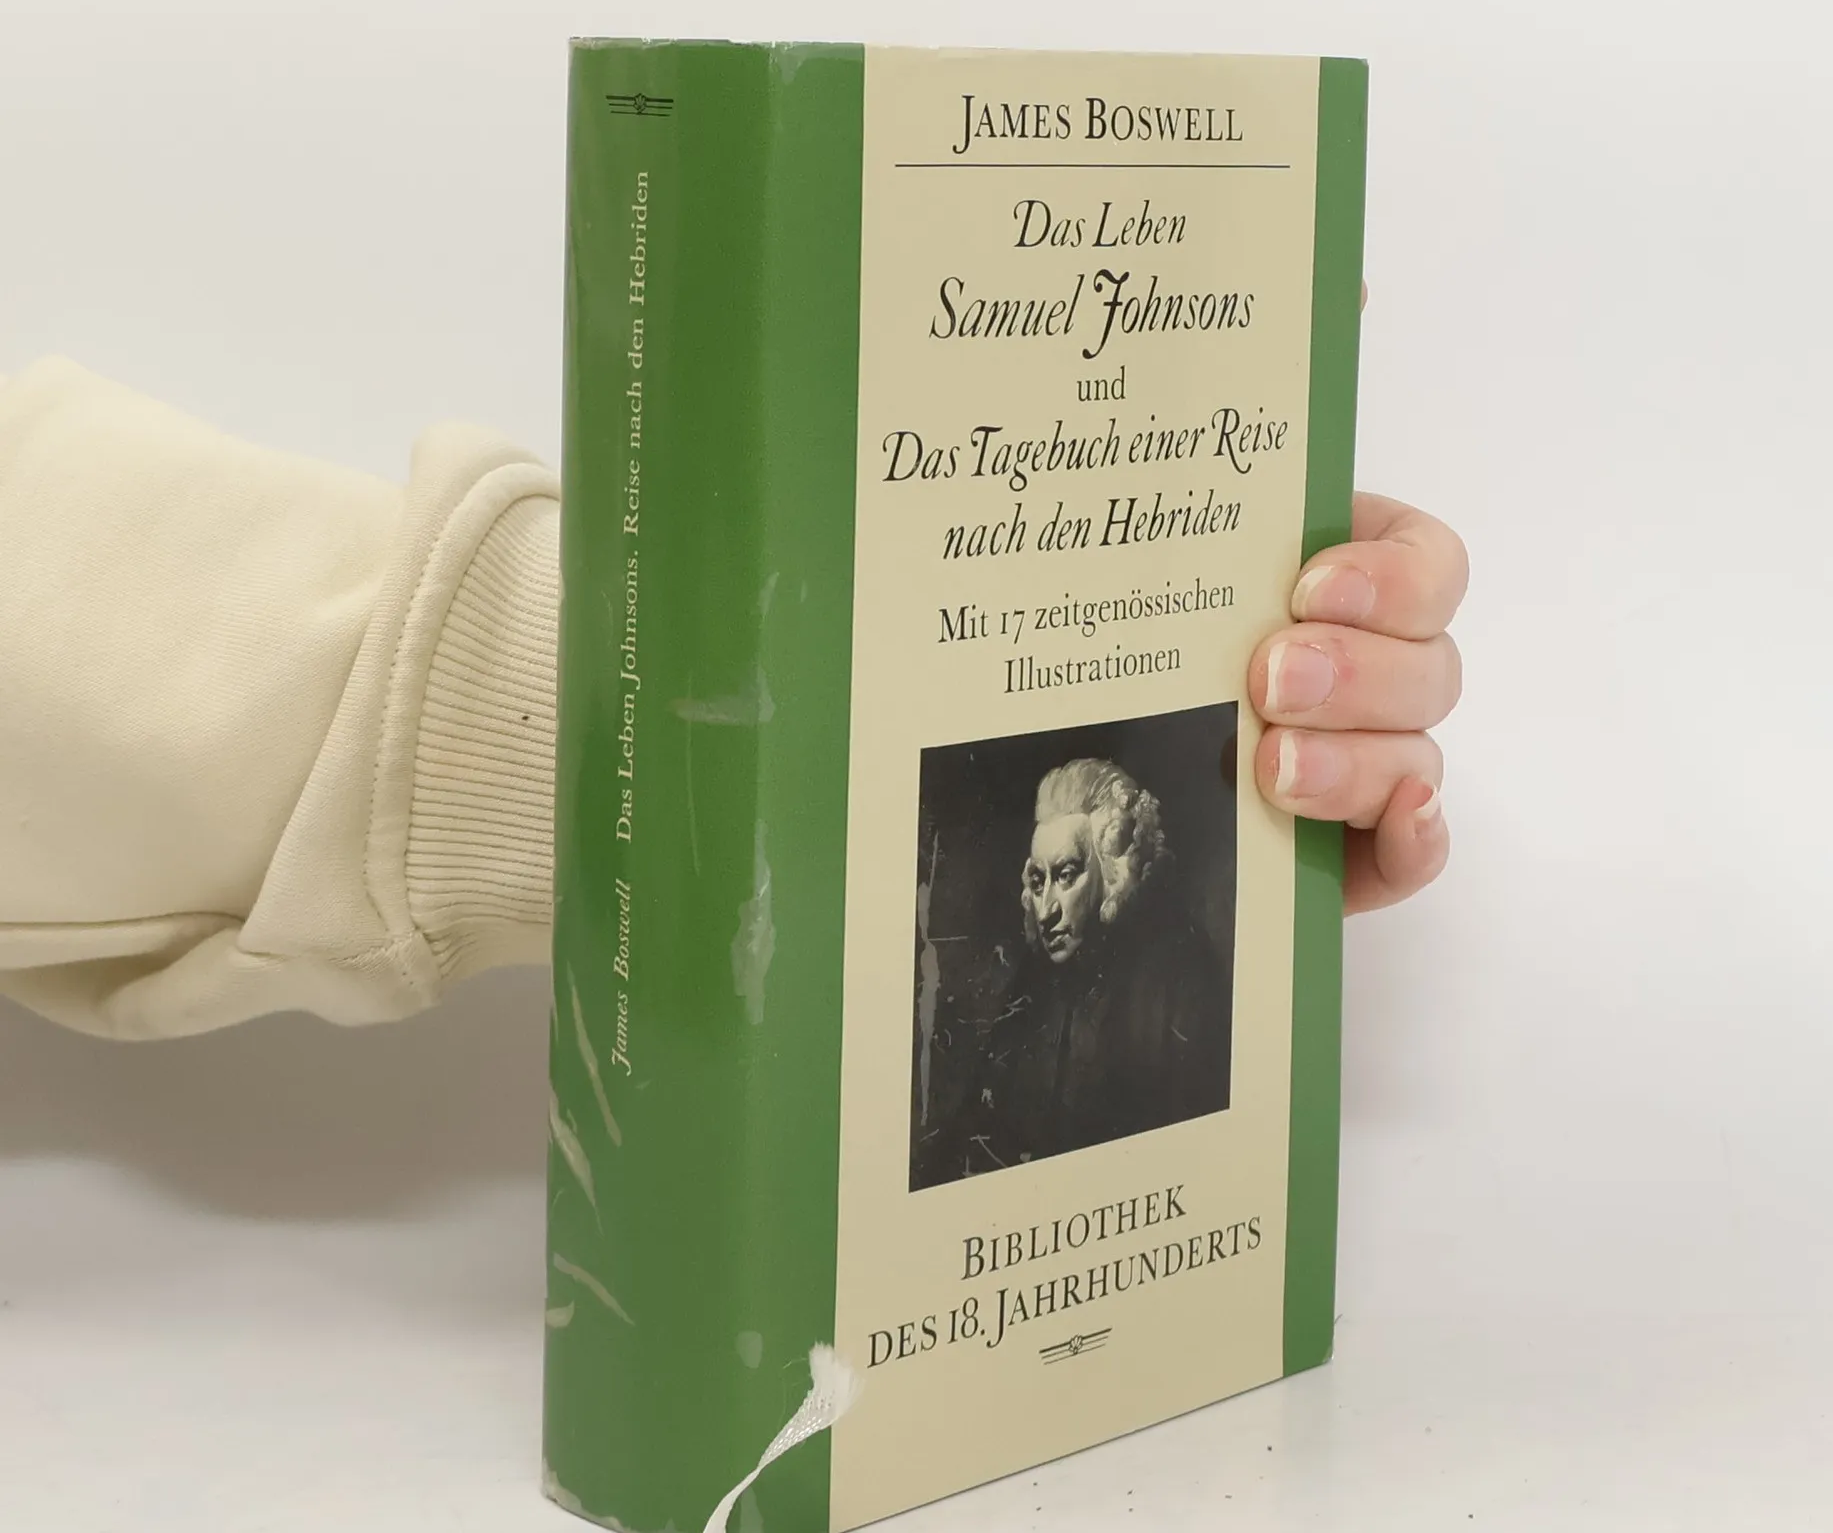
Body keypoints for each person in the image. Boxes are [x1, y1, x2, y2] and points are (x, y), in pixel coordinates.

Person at [0, 355, 1466, 1042]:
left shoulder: (1146, 1008)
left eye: (1063, 873)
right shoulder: (995, 1010)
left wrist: (1145, 613)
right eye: (1035, 871)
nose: (1034, 896)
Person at [918, 757, 1233, 1186]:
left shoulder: (1178, 980)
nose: (1046, 910)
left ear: (1112, 870)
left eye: (1067, 875)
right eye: (1038, 882)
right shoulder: (1035, 982)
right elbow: (974, 1127)